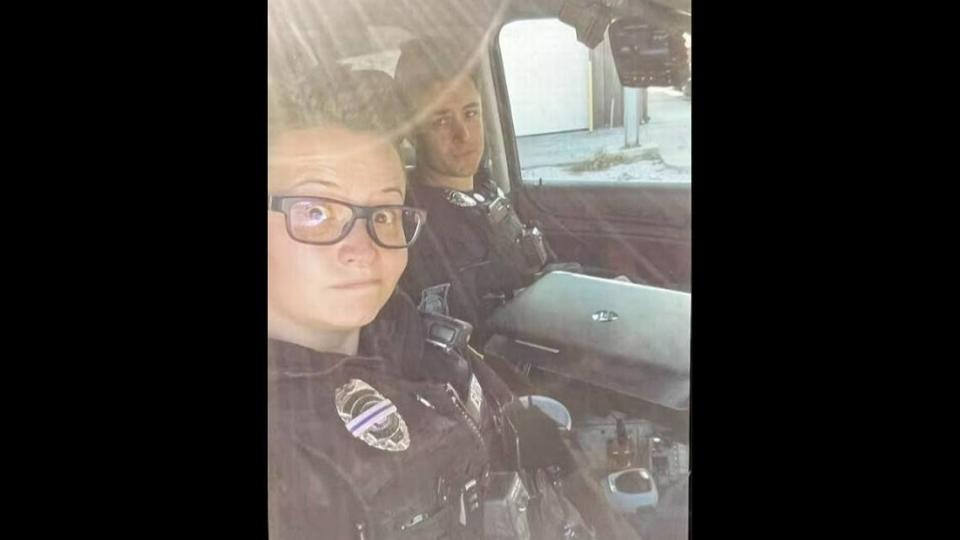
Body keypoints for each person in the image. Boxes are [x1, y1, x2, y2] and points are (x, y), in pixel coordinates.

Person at [267, 72, 627, 540]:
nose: (363, 247)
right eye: (316, 212)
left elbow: (538, 446)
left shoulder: (416, 334)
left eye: (383, 214)